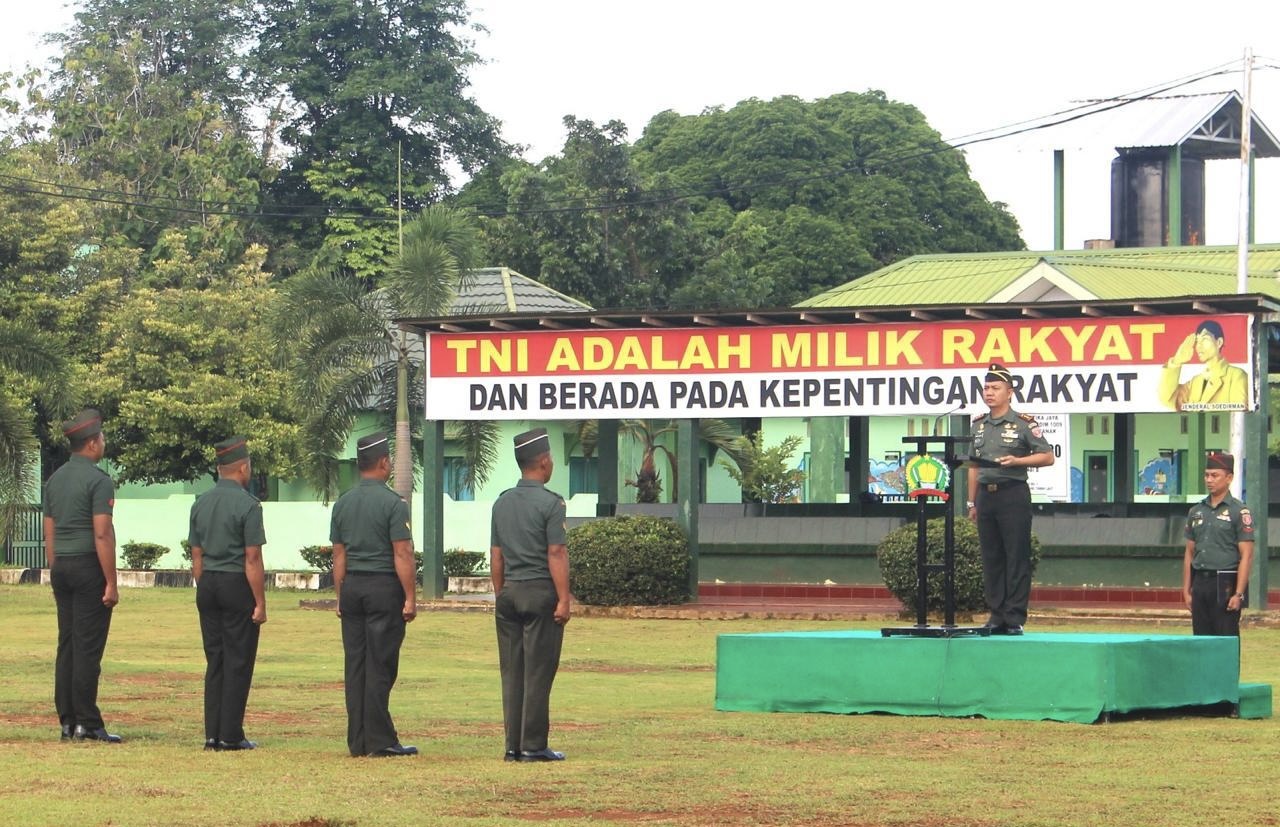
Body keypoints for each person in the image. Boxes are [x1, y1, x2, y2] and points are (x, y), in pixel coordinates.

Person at [329, 432, 418, 758]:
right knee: (380, 665)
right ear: (383, 463)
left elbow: (339, 556)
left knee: (356, 665)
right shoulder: (394, 504)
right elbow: (402, 553)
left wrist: (340, 595)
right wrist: (410, 596)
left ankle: (358, 739)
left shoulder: (344, 502)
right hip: (383, 588)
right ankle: (380, 740)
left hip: (352, 588)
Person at [490, 427, 571, 762]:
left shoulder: (502, 502)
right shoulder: (551, 504)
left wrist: (501, 594)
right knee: (538, 671)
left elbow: (496, 555)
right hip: (540, 592)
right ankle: (534, 745)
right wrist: (564, 598)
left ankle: (513, 745)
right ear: (543, 461)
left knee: (513, 672)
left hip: (509, 592)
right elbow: (556, 552)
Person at [43, 408, 122, 743]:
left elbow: (50, 531)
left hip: (62, 565)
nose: (103, 442)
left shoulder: (54, 480)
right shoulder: (99, 480)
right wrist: (111, 582)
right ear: (91, 444)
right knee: (88, 647)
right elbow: (102, 534)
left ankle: (67, 721)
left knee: (68, 644)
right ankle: (87, 723)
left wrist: (56, 569)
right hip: (89, 565)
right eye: (101, 437)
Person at [188, 436, 267, 751]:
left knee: (216, 659)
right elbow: (252, 558)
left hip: (207, 584)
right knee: (238, 659)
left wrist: (205, 584)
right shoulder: (249, 505)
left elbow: (196, 555)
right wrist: (259, 602)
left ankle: (212, 734)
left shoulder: (200, 503)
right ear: (244, 467)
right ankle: (231, 734)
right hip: (237, 584)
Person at [966, 365, 1055, 636]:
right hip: (986, 496)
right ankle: (996, 614)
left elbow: (1047, 456)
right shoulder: (978, 424)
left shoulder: (1023, 423)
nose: (989, 393)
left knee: (1016, 556)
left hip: (1012, 493)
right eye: (986, 388)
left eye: (995, 388)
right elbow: (973, 466)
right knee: (991, 557)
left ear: (1010, 392)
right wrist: (972, 503)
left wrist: (1018, 460)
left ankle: (1014, 616)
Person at [1182, 452, 1254, 636]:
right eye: (1206, 475)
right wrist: (1186, 590)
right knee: (1201, 639)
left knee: (1225, 637)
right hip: (1200, 582)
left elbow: (1246, 555)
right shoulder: (1196, 511)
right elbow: (1190, 553)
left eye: (1215, 475)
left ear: (1229, 478)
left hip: (1225, 581)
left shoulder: (1239, 511)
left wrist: (1239, 594)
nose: (1209, 480)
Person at [1158, 320, 1249, 411]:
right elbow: (1167, 399)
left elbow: (1239, 419)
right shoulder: (1195, 382)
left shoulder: (1236, 377)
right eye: (1197, 341)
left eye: (1205, 339)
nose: (1199, 346)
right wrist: (1176, 361)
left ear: (1219, 342)